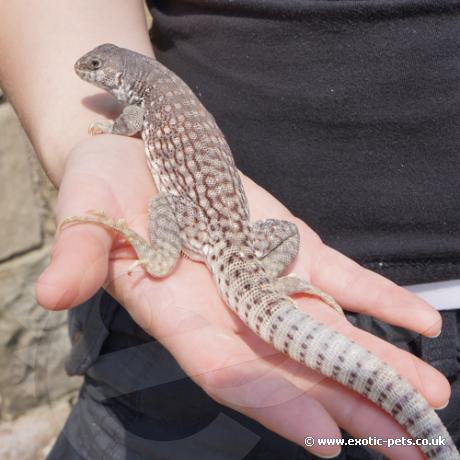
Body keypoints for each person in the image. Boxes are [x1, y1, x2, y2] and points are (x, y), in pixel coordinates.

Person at [0, 1, 458, 459]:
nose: (88, 72)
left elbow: (129, 126)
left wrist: (108, 135)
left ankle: (159, 257)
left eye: (96, 68)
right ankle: (274, 281)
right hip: (230, 264)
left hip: (211, 241)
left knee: (165, 201)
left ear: (122, 78)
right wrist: (73, 136)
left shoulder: (142, 102)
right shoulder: (152, 89)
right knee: (284, 234)